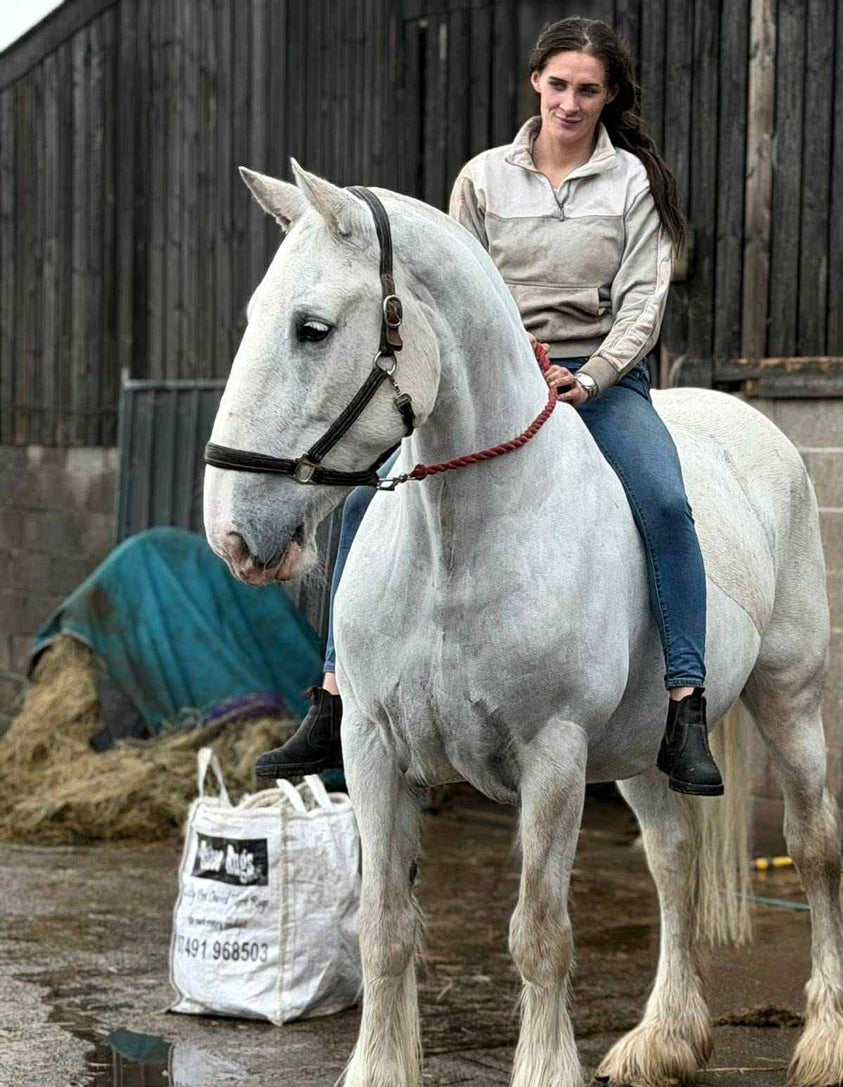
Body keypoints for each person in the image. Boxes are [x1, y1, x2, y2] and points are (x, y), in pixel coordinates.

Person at [257, 15, 724, 796]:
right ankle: (334, 696)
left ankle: (685, 703)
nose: (570, 104)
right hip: (496, 375)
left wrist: (596, 375)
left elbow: (645, 302)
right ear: (536, 82)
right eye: (559, 85)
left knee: (667, 502)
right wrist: (504, 366)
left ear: (609, 98)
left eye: (588, 91)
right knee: (370, 498)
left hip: (596, 377)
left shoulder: (631, 183)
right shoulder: (481, 178)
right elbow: (454, 289)